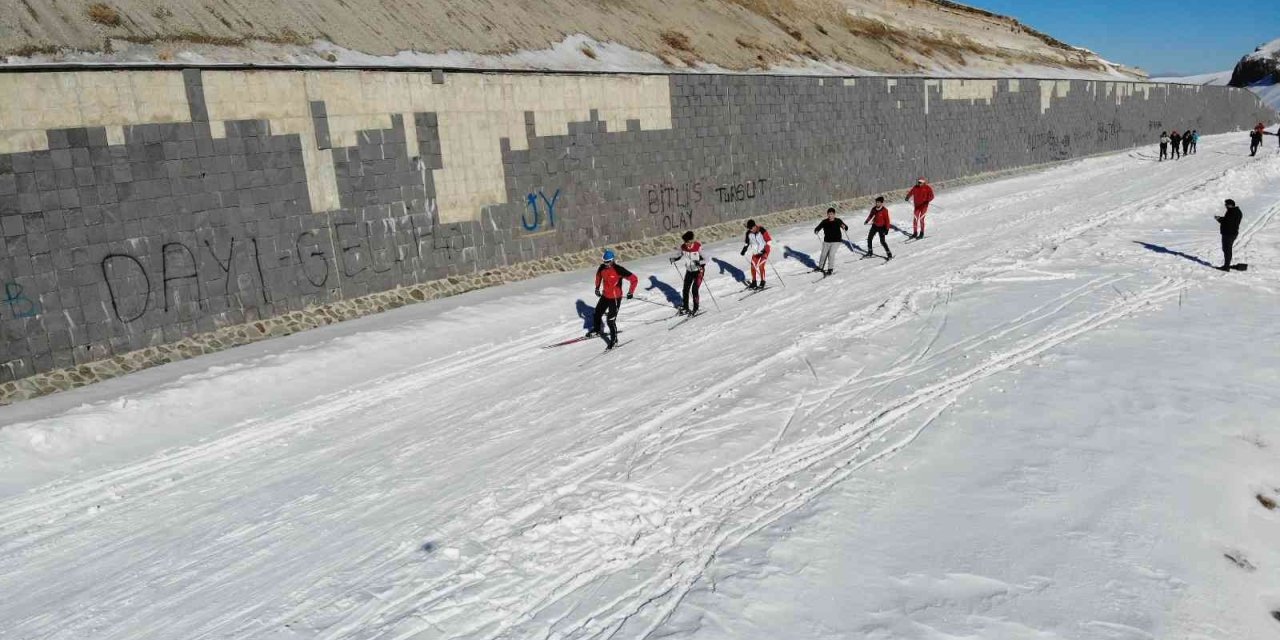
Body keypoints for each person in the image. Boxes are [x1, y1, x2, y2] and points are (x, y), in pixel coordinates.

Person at [589, 249, 638, 348]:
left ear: (612, 260)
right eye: (604, 261)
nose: (605, 263)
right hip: (605, 295)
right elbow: (598, 277)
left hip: (615, 298)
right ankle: (597, 330)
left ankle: (614, 341)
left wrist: (630, 292)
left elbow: (634, 279)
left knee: (610, 320)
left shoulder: (618, 269)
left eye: (607, 262)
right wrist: (597, 288)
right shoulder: (602, 268)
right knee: (597, 312)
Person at [668, 230, 706, 315]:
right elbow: (679, 255)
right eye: (685, 242)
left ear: (691, 240)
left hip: (699, 271)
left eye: (687, 242)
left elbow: (707, 258)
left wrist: (699, 262)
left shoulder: (698, 246)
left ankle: (696, 309)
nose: (686, 244)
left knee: (694, 290)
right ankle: (686, 307)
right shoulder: (683, 247)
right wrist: (674, 259)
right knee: (685, 290)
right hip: (689, 270)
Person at [813, 207, 848, 275]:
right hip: (826, 241)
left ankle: (830, 269)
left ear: (834, 214)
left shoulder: (838, 221)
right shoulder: (824, 221)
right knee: (823, 254)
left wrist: (844, 227)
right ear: (827, 214)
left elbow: (846, 227)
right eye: (829, 214)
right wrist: (816, 230)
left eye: (831, 214)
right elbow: (818, 227)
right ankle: (820, 267)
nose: (830, 216)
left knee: (831, 254)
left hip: (836, 241)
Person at [740, 219, 772, 289]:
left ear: (754, 226)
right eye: (749, 229)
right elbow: (747, 243)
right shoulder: (748, 233)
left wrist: (765, 249)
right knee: (753, 266)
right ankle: (754, 282)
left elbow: (769, 240)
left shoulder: (762, 230)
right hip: (756, 252)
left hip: (764, 251)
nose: (751, 230)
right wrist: (744, 250)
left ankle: (763, 281)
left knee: (761, 266)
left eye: (752, 228)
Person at [1215, 199, 1242, 271]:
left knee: (1227, 250)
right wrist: (1221, 218)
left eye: (1226, 204)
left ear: (1230, 205)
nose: (1225, 206)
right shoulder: (1235, 211)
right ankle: (1226, 265)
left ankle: (1226, 267)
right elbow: (1228, 220)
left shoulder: (1232, 212)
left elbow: (1227, 222)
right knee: (1227, 250)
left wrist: (1219, 219)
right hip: (1231, 233)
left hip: (1229, 234)